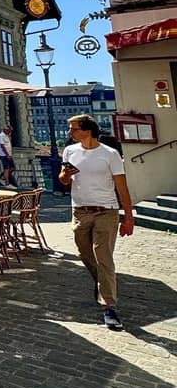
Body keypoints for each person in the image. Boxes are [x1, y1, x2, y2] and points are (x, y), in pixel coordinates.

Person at [60, 113, 135, 332]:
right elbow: (63, 180)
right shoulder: (70, 151)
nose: (70, 133)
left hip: (106, 212)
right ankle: (102, 283)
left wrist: (128, 217)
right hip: (80, 212)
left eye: (73, 129)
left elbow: (122, 187)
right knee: (84, 253)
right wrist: (65, 175)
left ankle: (109, 306)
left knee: (103, 256)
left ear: (87, 130)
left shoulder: (109, 154)